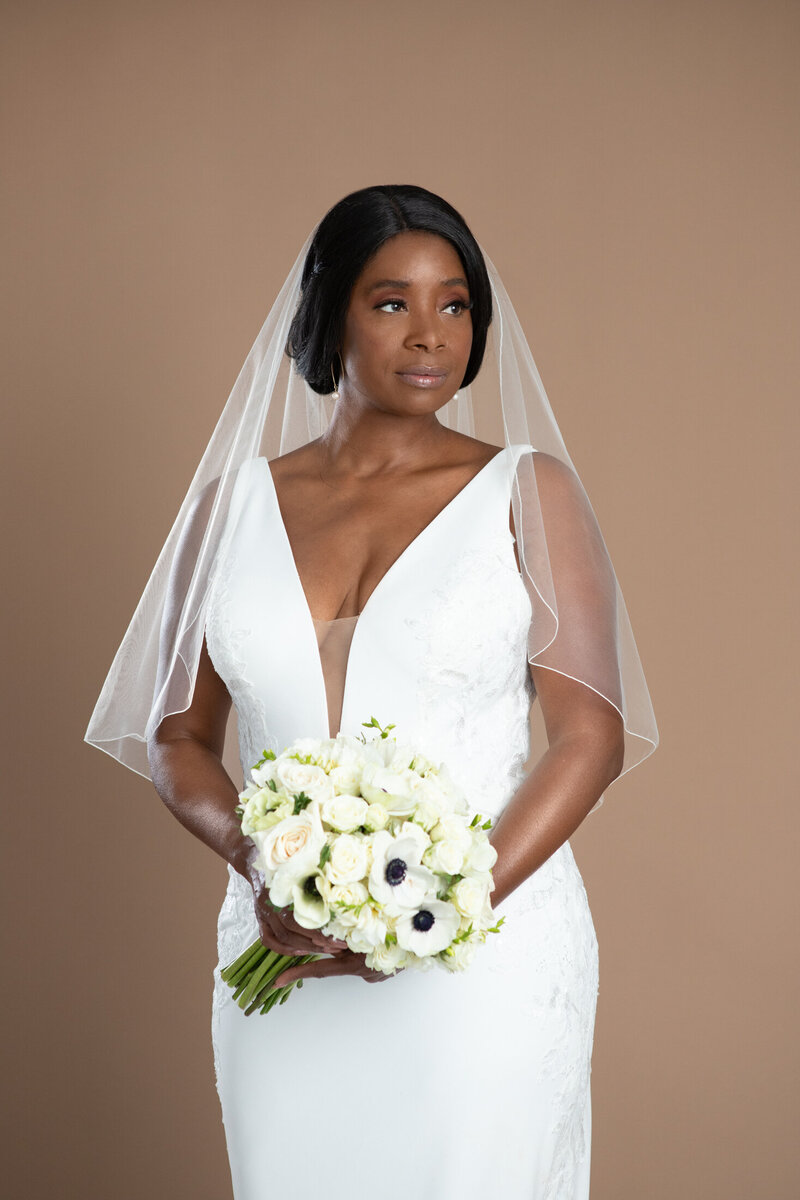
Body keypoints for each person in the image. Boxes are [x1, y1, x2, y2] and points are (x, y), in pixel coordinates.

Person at [85, 184, 658, 1198]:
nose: (429, 334)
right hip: (284, 956)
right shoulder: (232, 509)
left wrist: (440, 902)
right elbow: (176, 737)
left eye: (455, 304)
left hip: (486, 955)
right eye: (391, 302)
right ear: (328, 316)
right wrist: (258, 860)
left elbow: (586, 737)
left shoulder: (529, 492)